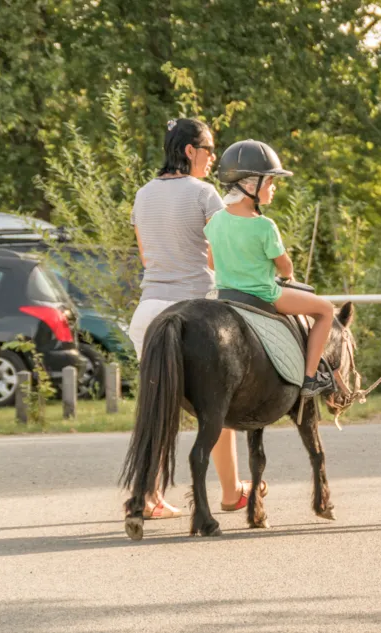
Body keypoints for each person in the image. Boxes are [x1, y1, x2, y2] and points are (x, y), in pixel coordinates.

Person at [128, 119, 266, 519]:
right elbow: (218, 253)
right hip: (195, 310)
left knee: (160, 404)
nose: (211, 159)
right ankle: (229, 491)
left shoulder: (142, 195)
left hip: (150, 311)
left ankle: (148, 496)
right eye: (208, 150)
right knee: (216, 404)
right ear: (190, 151)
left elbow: (145, 256)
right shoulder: (205, 194)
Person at [204, 139, 335, 396]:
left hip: (226, 296)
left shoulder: (216, 219)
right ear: (251, 185)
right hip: (264, 295)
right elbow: (285, 267)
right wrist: (286, 274)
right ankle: (310, 378)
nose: (273, 189)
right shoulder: (265, 226)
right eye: (271, 182)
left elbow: (211, 262)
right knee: (326, 310)